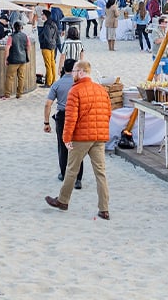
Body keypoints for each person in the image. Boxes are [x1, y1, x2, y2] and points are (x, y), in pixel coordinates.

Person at [45, 60, 111, 220]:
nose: (72, 74)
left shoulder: (75, 91)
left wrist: (66, 137)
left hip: (82, 136)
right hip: (99, 136)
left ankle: (63, 200)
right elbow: (108, 112)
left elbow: (70, 117)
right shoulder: (101, 89)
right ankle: (104, 209)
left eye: (74, 72)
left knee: (71, 169)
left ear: (81, 72)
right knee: (100, 173)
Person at [43, 58, 84, 190]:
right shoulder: (78, 84)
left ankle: (64, 173)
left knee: (63, 145)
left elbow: (48, 104)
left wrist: (46, 122)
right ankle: (78, 179)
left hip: (62, 115)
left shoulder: (57, 84)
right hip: (77, 115)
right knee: (77, 147)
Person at [2, 21, 31, 99]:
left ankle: (7, 94)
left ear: (14, 28)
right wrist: (27, 56)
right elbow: (28, 47)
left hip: (13, 60)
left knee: (9, 77)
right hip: (23, 59)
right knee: (21, 77)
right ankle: (19, 94)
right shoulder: (25, 36)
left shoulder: (11, 37)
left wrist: (6, 59)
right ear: (21, 28)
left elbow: (7, 48)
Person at [38, 10, 60, 87]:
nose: (41, 16)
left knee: (48, 65)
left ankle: (48, 82)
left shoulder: (47, 25)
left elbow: (47, 37)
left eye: (42, 15)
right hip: (53, 46)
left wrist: (43, 41)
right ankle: (53, 80)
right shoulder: (54, 23)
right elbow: (57, 35)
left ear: (45, 15)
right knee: (52, 63)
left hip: (46, 46)